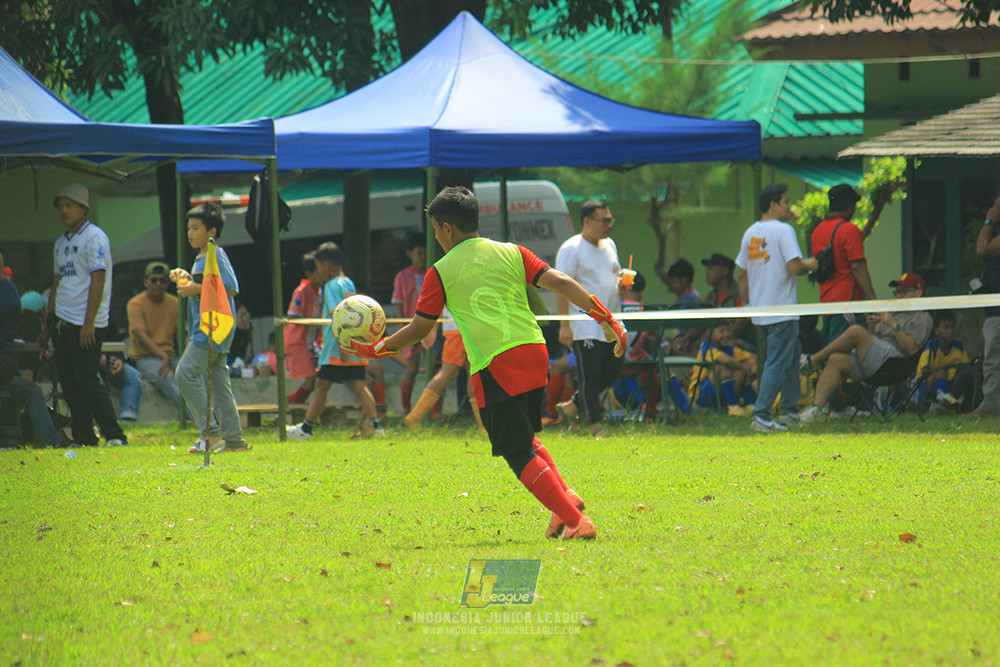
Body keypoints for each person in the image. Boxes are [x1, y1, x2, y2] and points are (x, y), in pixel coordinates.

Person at [347, 186, 627, 540]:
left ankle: (574, 520)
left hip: (497, 361)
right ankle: (562, 504)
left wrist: (377, 349)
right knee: (524, 436)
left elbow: (419, 328)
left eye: (436, 230)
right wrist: (608, 319)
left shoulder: (441, 271)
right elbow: (562, 282)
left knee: (514, 450)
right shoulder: (512, 252)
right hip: (534, 349)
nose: (436, 237)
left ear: (447, 228)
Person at [39, 183, 128, 447]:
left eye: (69, 205)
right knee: (68, 381)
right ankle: (84, 436)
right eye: (60, 206)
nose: (63, 211)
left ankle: (114, 434)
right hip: (62, 320)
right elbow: (57, 283)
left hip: (85, 320)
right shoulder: (60, 243)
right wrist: (47, 325)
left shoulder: (95, 238)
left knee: (86, 379)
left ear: (83, 208)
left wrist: (90, 322)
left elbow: (98, 281)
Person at [736, 183, 818, 433]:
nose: (789, 207)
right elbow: (794, 267)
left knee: (791, 356)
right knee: (777, 361)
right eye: (785, 201)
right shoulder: (784, 231)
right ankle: (762, 415)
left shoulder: (751, 233)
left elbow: (742, 275)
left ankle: (790, 412)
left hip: (761, 311)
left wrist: (749, 305)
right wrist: (813, 264)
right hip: (782, 309)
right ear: (773, 205)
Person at [799, 272, 932, 421]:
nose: (898, 296)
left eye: (903, 291)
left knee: (856, 331)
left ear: (918, 293)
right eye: (897, 292)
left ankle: (815, 360)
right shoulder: (893, 311)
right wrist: (872, 327)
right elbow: (874, 342)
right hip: (876, 361)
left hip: (895, 362)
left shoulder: (922, 317)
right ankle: (816, 409)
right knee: (836, 359)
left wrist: (894, 325)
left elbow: (912, 349)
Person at [286, 242, 383, 440]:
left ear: (326, 264)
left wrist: (341, 342)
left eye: (319, 266)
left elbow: (337, 313)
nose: (319, 271)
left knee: (321, 385)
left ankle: (306, 430)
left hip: (336, 348)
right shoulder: (348, 283)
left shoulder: (331, 286)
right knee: (359, 386)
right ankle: (376, 427)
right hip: (354, 345)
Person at [172, 202, 248, 454]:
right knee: (218, 383)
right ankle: (234, 441)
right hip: (206, 328)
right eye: (188, 228)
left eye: (196, 228)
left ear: (211, 232)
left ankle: (211, 433)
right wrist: (189, 281)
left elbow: (230, 287)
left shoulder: (216, 252)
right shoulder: (202, 256)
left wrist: (194, 288)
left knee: (184, 374)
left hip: (212, 327)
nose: (190, 233)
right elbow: (208, 287)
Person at [554, 200, 626, 438]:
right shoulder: (571, 249)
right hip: (585, 324)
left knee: (614, 371)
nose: (609, 225)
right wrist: (564, 325)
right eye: (604, 220)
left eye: (611, 220)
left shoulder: (610, 245)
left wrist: (623, 287)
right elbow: (561, 287)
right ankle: (595, 425)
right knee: (590, 375)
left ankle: (573, 406)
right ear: (587, 221)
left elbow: (611, 277)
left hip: (612, 322)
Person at [0, 251, 64, 447]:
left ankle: (52, 442)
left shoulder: (6, 290)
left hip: (4, 363)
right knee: (32, 391)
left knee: (31, 391)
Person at [810, 184, 877, 344]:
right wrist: (873, 300)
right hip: (848, 303)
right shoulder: (849, 230)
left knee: (831, 348)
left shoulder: (817, 231)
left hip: (827, 303)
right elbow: (857, 267)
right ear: (848, 205)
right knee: (844, 353)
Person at [403, 306, 486, 432]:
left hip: (461, 325)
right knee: (449, 372)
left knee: (473, 371)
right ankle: (415, 416)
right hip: (460, 326)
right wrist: (432, 328)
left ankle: (483, 426)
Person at [126, 260, 183, 410]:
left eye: (162, 280)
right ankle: (194, 418)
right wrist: (163, 356)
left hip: (170, 356)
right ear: (145, 281)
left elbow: (183, 334)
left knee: (191, 376)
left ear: (168, 284)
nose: (158, 284)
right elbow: (140, 335)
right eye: (153, 280)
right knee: (166, 377)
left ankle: (207, 416)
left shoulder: (174, 303)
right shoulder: (135, 304)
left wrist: (187, 360)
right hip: (145, 357)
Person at [965, 195, 1000, 419]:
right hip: (994, 308)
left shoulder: (993, 230)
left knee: (994, 359)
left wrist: (989, 221)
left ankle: (989, 408)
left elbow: (982, 249)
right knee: (992, 359)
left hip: (998, 311)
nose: (994, 208)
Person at [687, 321, 757, 416]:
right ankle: (733, 406)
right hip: (702, 394)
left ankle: (751, 405)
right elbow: (725, 360)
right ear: (709, 333)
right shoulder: (706, 348)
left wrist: (753, 365)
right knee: (723, 366)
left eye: (728, 331)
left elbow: (753, 357)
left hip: (722, 392)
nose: (726, 334)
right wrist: (746, 368)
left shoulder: (729, 348)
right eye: (721, 331)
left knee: (750, 362)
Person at [392, 233, 428, 414]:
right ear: (410, 254)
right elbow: (397, 301)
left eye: (425, 253)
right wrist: (402, 325)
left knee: (432, 369)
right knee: (412, 369)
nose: (423, 257)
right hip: (412, 327)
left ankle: (433, 412)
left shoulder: (431, 273)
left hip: (430, 327)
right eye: (419, 253)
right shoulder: (402, 276)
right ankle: (406, 409)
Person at [285, 252, 323, 404]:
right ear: (309, 274)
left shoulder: (320, 291)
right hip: (298, 343)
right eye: (319, 271)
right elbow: (292, 316)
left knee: (320, 375)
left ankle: (295, 402)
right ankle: (292, 403)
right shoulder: (301, 291)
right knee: (313, 377)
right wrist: (314, 321)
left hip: (311, 343)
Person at [915, 309, 969, 410]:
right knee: (941, 372)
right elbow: (924, 372)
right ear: (936, 330)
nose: (950, 331)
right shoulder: (932, 346)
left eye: (953, 327)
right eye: (946, 327)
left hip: (950, 382)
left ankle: (958, 400)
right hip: (925, 384)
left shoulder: (958, 345)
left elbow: (965, 365)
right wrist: (948, 365)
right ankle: (943, 397)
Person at [98, 353, 142, 422]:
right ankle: (98, 417)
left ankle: (128, 416)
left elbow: (117, 345)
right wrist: (97, 358)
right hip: (88, 363)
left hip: (109, 360)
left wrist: (118, 360)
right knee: (95, 381)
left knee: (133, 377)